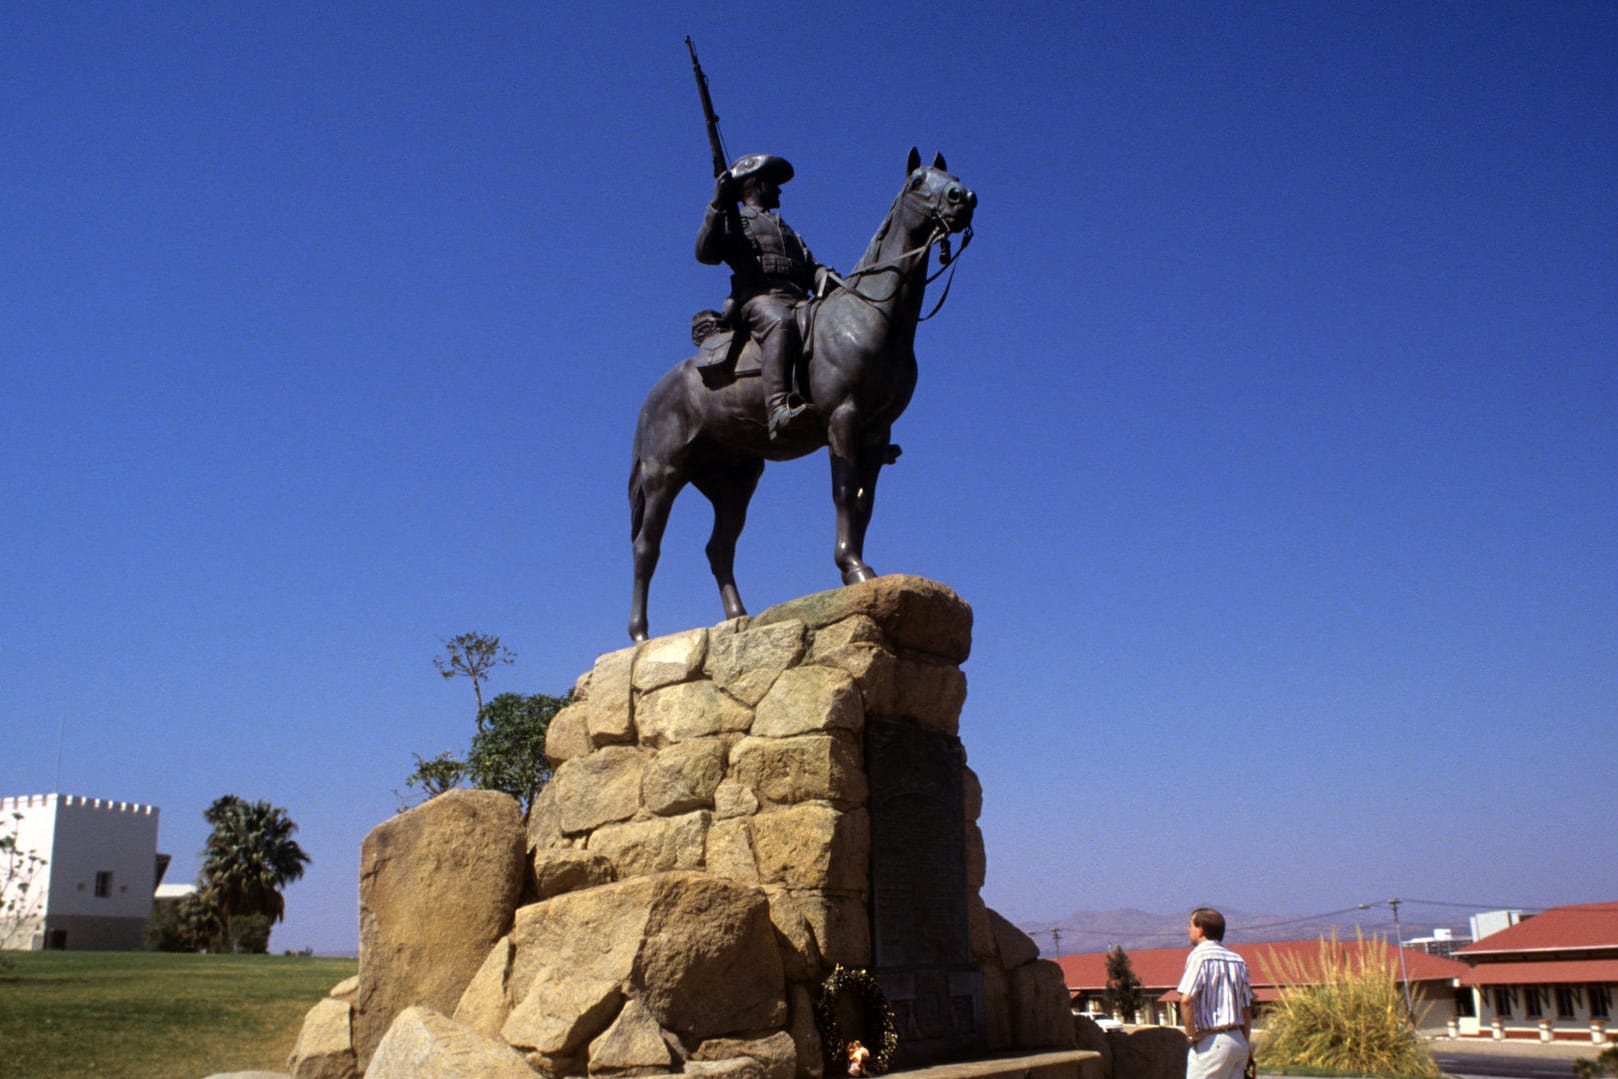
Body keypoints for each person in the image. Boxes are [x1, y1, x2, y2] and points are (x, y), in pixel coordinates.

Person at [695, 152, 834, 440]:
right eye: (773, 182)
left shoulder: (788, 230)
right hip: (758, 300)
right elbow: (705, 254)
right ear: (756, 184)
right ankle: (777, 409)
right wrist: (717, 203)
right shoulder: (737, 222)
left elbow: (811, 266)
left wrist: (823, 276)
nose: (779, 189)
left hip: (800, 299)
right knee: (780, 323)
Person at [1177, 908, 1254, 1079]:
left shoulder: (1200, 957)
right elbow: (1246, 1009)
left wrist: (1191, 1035)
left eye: (1190, 925)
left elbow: (1186, 1000)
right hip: (1237, 1039)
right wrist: (1245, 1044)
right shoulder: (1238, 960)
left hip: (1212, 1042)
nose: (1188, 930)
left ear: (1201, 929)